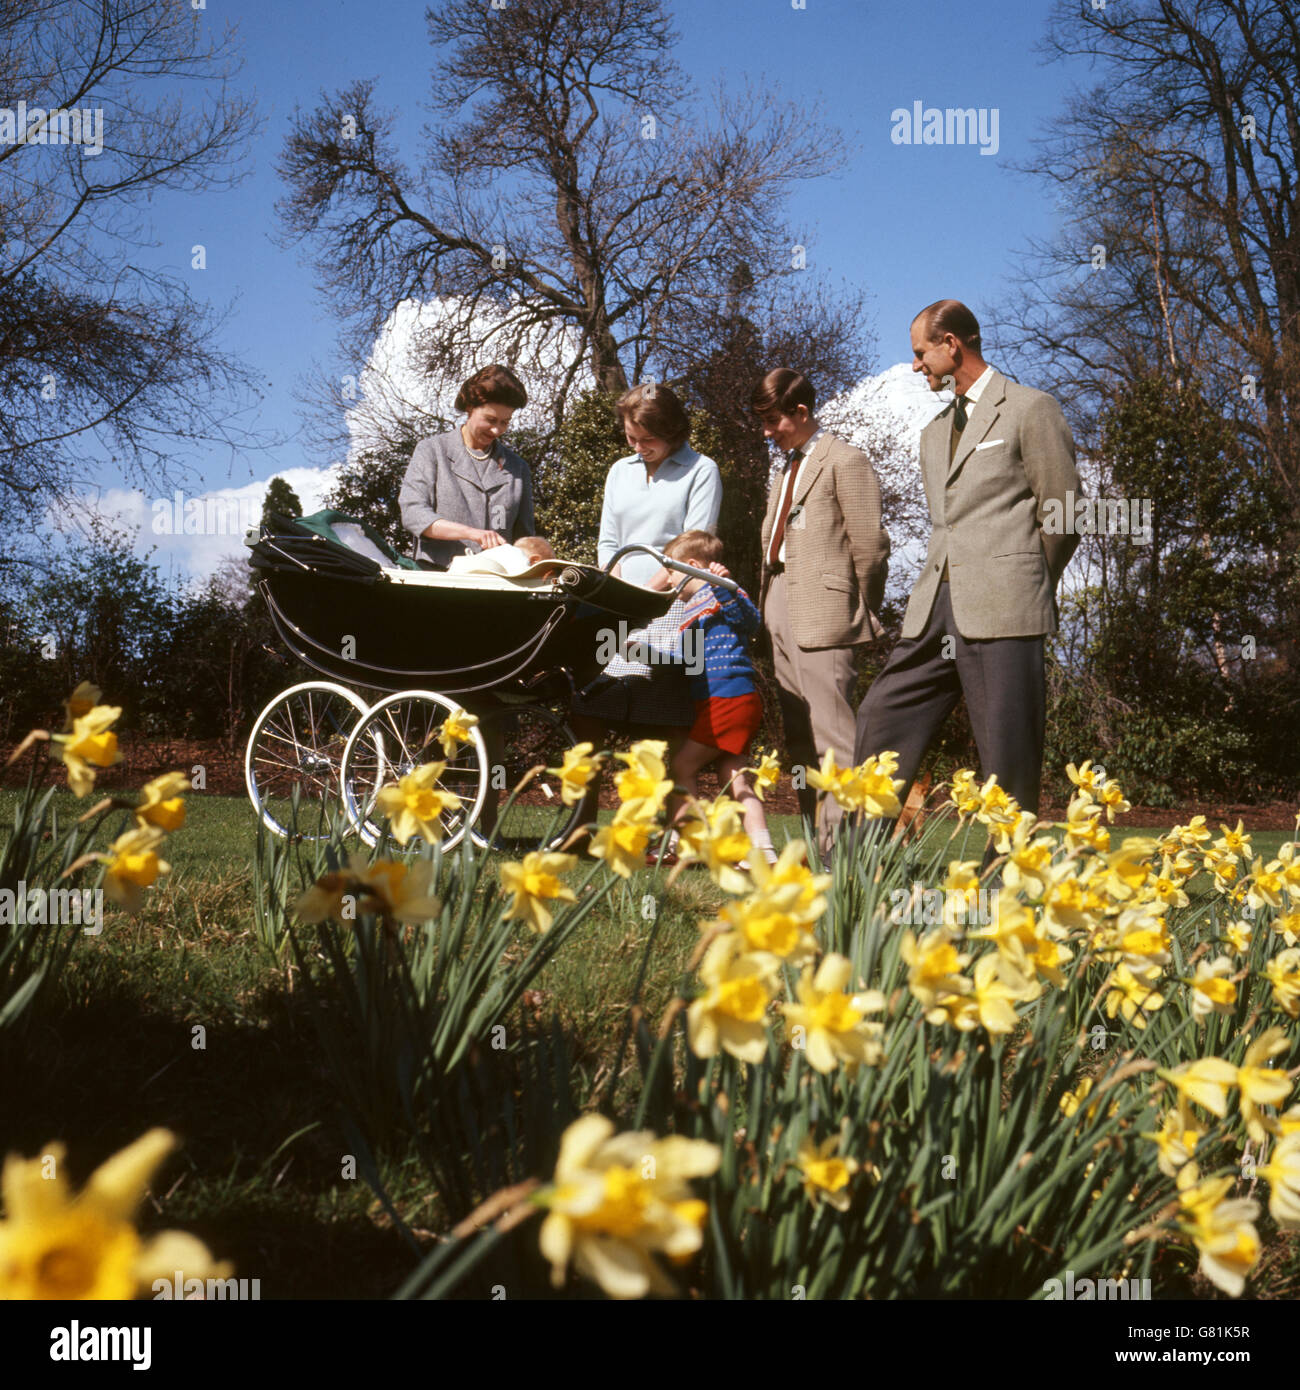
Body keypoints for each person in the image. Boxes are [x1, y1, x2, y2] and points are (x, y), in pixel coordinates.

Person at [854, 298, 1082, 830]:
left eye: (920, 353)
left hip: (1006, 603)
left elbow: (1065, 511)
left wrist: (1026, 580)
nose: (916, 367)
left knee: (1007, 749)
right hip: (934, 603)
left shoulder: (1030, 407)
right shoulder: (933, 432)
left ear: (951, 343)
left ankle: (1006, 877)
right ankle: (857, 858)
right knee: (881, 715)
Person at [569, 385, 722, 834]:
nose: (637, 447)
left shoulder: (702, 469)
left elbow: (696, 545)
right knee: (588, 706)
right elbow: (609, 541)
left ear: (672, 431)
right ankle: (580, 830)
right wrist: (610, 588)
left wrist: (649, 594)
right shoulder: (620, 471)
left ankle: (679, 836)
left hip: (673, 605)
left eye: (646, 439)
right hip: (615, 602)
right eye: (630, 438)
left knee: (668, 714)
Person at [753, 368, 890, 854]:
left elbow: (870, 546)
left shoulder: (846, 461)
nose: (767, 433)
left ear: (802, 412)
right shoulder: (786, 469)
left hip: (827, 613)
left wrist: (855, 603)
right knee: (798, 739)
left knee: (833, 736)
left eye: (774, 422)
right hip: (779, 605)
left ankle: (848, 854)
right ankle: (820, 846)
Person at [638, 531, 775, 867]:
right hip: (728, 698)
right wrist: (645, 652)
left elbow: (750, 620)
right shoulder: (691, 611)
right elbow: (689, 658)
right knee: (734, 773)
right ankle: (762, 849)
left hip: (727, 696)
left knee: (682, 766)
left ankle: (688, 844)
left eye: (671, 574)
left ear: (692, 566)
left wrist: (723, 586)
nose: (669, 582)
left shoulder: (722, 591)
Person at [399, 364, 536, 567]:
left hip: (496, 585)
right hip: (437, 580)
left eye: (505, 422)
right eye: (490, 419)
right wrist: (471, 533)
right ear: (470, 408)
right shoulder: (432, 450)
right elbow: (413, 513)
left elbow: (523, 538)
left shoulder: (518, 468)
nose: (497, 430)